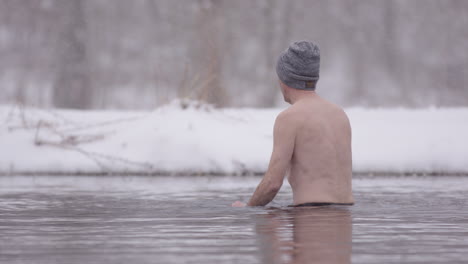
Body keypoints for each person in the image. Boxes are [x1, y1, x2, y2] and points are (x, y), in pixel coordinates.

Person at [232, 41, 354, 207]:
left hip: (311, 219)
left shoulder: (290, 118)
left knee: (267, 224)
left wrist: (248, 208)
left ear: (284, 79)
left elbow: (272, 185)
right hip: (345, 217)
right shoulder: (340, 115)